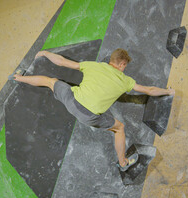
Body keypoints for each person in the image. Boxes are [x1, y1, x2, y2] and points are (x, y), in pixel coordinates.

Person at [13, 48, 175, 171]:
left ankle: (19, 77)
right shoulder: (125, 80)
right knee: (119, 128)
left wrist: (45, 53)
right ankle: (123, 162)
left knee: (50, 81)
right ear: (121, 64)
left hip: (71, 99)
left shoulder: (93, 65)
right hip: (87, 115)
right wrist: (168, 91)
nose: (125, 68)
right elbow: (150, 90)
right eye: (125, 66)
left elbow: (62, 61)